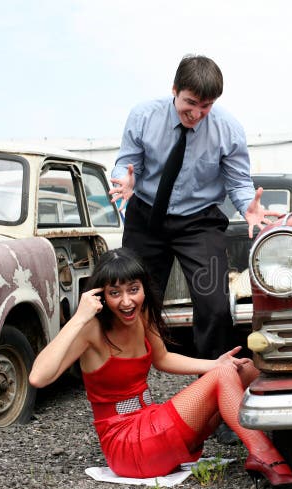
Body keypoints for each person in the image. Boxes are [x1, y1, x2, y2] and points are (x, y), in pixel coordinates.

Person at [29, 248, 292, 489]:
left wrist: (217, 364)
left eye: (133, 290)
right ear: (101, 296)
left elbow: (163, 358)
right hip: (128, 445)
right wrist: (78, 318)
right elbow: (38, 377)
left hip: (153, 425)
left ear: (144, 288)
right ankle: (266, 458)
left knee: (242, 368)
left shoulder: (141, 316)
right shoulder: (91, 330)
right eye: (115, 293)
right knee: (223, 376)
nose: (127, 301)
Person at [108, 54, 279, 359]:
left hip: (199, 223)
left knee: (214, 303)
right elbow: (127, 161)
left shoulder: (228, 129)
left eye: (206, 106)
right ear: (175, 89)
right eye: (191, 102)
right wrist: (124, 181)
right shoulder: (144, 116)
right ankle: (133, 375)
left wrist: (248, 207)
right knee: (133, 301)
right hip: (147, 216)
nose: (197, 113)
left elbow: (238, 181)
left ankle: (213, 381)